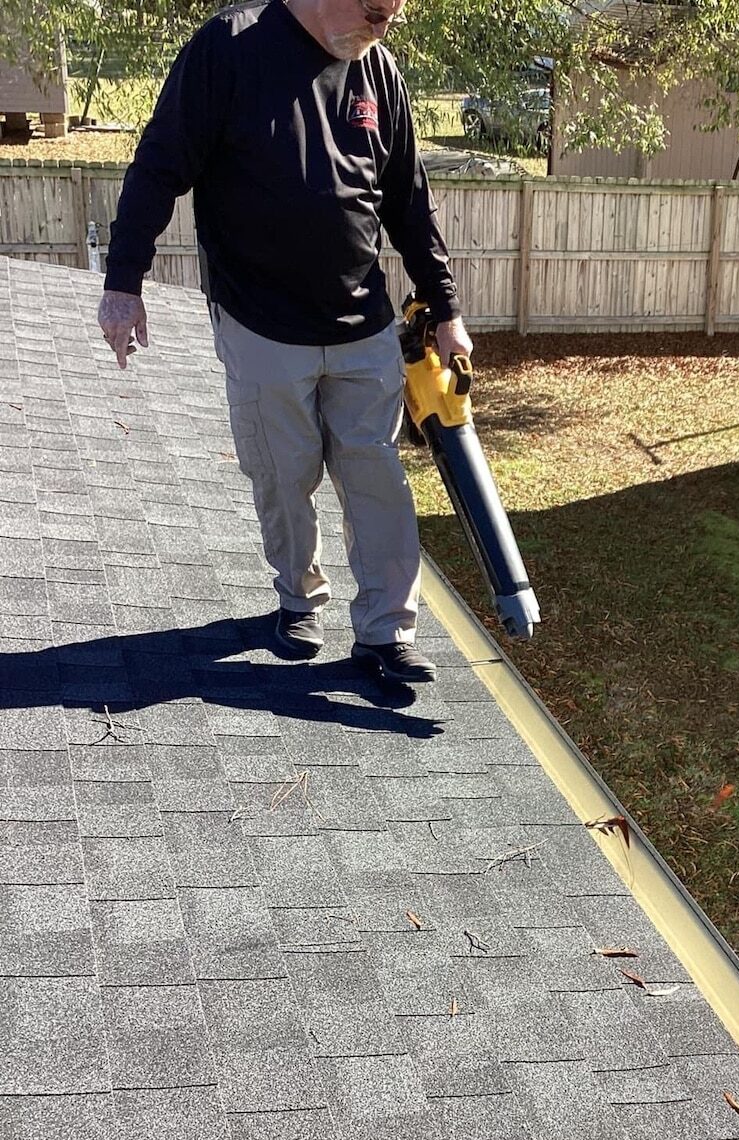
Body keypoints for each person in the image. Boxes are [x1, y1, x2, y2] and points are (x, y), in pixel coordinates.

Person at [96, 0, 472, 686]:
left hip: (362, 326)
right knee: (283, 475)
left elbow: (408, 202)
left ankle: (387, 632)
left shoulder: (378, 73)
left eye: (395, 14)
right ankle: (300, 598)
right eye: (378, 10)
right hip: (262, 326)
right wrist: (124, 281)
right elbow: (159, 166)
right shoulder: (229, 51)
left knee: (376, 480)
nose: (386, 26)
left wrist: (444, 309)